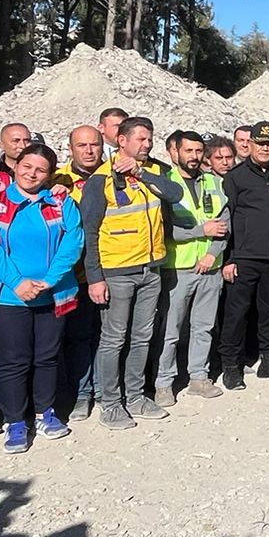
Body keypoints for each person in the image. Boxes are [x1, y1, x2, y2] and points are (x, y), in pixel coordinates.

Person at [0, 143, 85, 454]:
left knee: (47, 357)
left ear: (49, 175)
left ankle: (45, 412)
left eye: (41, 170)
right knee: (12, 362)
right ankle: (15, 420)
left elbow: (73, 242)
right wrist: (18, 283)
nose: (32, 173)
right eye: (27, 166)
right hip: (9, 298)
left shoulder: (61, 203)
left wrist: (49, 280)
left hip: (52, 294)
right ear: (15, 165)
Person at [78, 115, 191, 428]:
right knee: (114, 340)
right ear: (121, 141)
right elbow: (89, 232)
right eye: (140, 139)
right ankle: (111, 404)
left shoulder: (154, 172)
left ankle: (137, 396)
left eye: (150, 138)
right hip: (116, 272)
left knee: (142, 337)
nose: (147, 143)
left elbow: (175, 194)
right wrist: (95, 277)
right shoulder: (99, 180)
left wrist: (141, 173)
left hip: (150, 269)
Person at [152, 130, 229, 407]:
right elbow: (164, 229)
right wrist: (201, 231)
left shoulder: (214, 182)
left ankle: (199, 376)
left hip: (210, 267)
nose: (194, 157)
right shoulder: (165, 184)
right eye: (189, 151)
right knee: (171, 330)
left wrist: (212, 254)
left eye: (198, 151)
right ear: (176, 152)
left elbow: (224, 223)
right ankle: (164, 382)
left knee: (203, 327)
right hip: (179, 267)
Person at [221, 121, 269, 387]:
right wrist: (229, 258)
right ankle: (231, 365)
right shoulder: (235, 177)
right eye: (260, 143)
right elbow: (227, 220)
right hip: (244, 258)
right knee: (237, 313)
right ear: (249, 144)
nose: (265, 148)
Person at [52, 125, 108, 421]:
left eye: (94, 145)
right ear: (70, 148)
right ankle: (81, 393)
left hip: (109, 272)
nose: (89, 151)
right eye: (82, 145)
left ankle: (105, 390)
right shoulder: (57, 181)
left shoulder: (114, 175)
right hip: (74, 276)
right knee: (77, 338)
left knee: (107, 336)